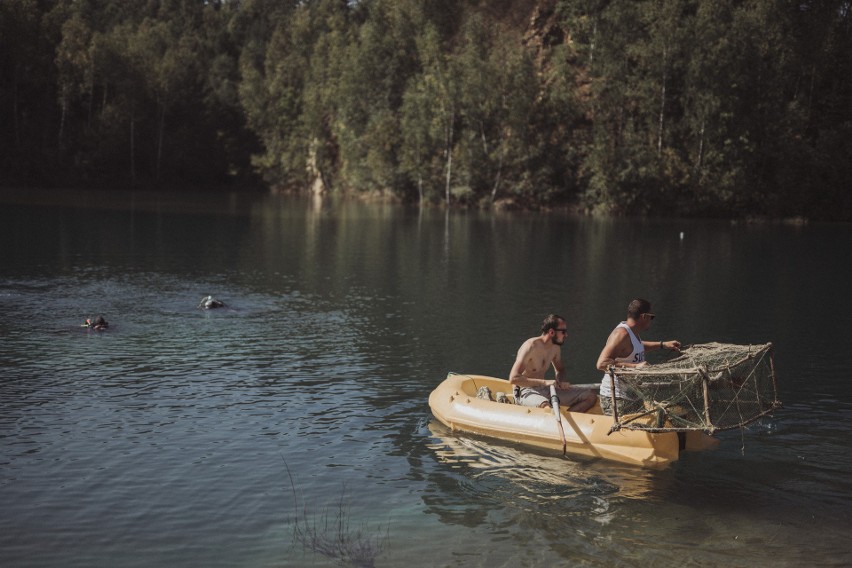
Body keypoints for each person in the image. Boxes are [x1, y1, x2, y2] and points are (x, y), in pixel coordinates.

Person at [595, 298, 681, 415]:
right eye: (652, 317)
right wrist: (635, 367)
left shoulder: (632, 333)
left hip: (632, 397)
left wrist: (663, 344)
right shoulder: (621, 334)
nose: (651, 320)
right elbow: (601, 363)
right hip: (615, 398)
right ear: (644, 316)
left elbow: (636, 347)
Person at [509, 314, 597, 412]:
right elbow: (513, 378)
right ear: (551, 332)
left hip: (546, 389)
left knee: (590, 395)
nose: (566, 335)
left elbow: (560, 369)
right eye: (563, 332)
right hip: (526, 390)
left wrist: (560, 382)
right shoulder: (530, 347)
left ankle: (568, 418)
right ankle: (553, 413)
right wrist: (544, 382)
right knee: (546, 406)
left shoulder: (555, 348)